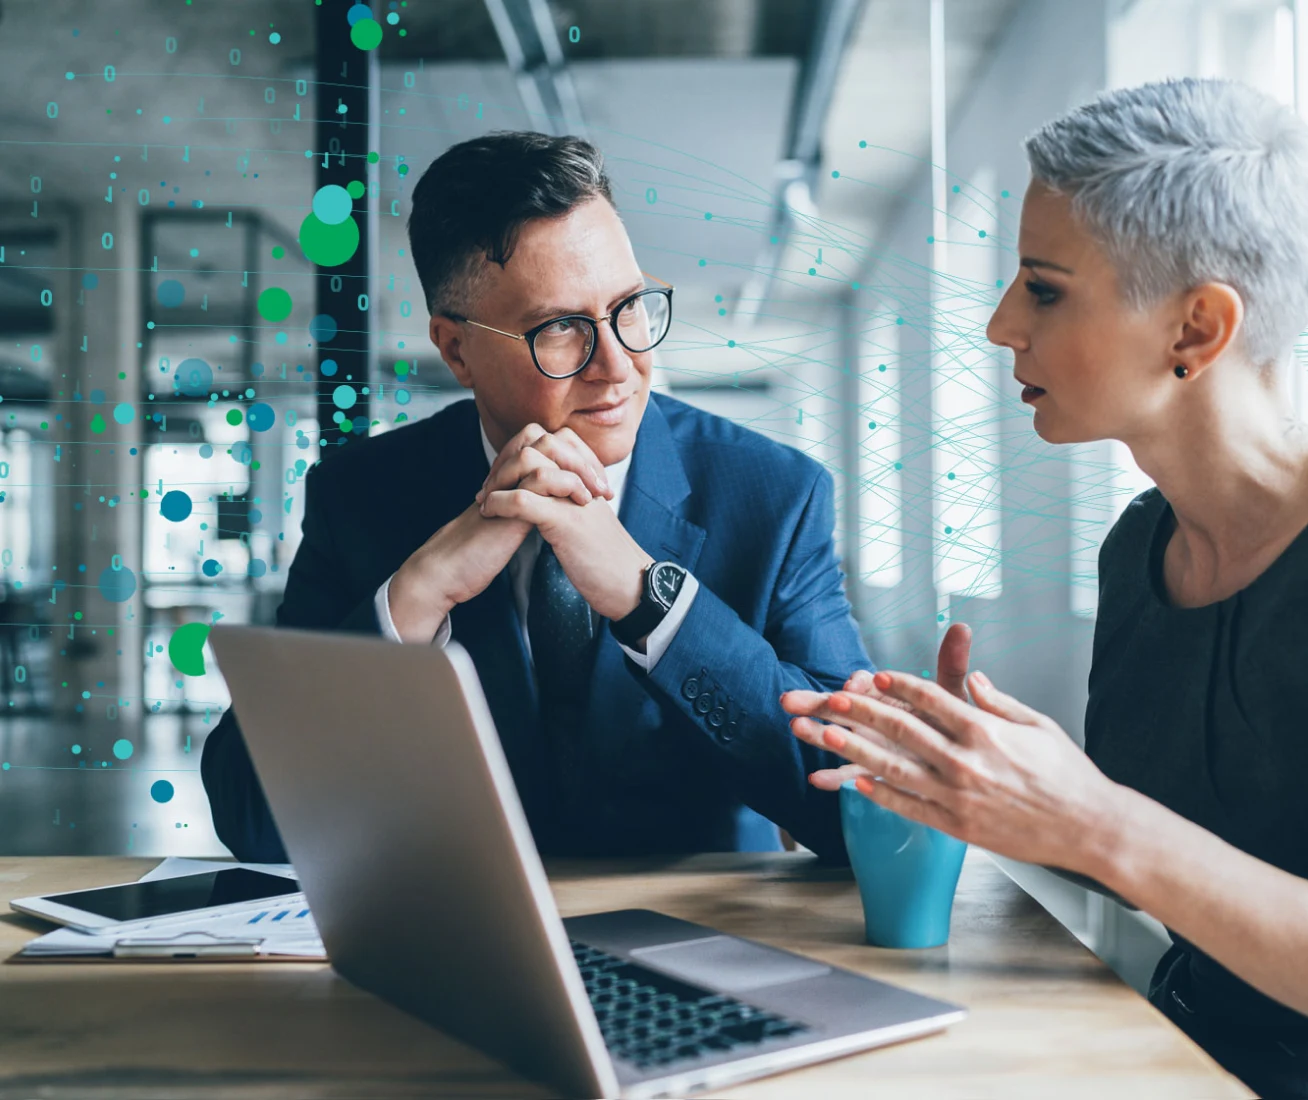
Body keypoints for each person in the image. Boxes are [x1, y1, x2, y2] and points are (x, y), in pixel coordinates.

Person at [782, 79, 1308, 1098]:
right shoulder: (1141, 544)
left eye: (1041, 287)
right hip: (1165, 1053)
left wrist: (1093, 820)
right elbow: (1172, 856)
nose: (997, 325)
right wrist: (982, 778)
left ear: (1194, 330)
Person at [202, 131, 867, 864]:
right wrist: (417, 596)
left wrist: (654, 602)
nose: (619, 366)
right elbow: (252, 816)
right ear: (456, 350)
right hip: (463, 945)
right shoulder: (361, 498)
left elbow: (857, 806)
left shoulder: (775, 497)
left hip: (707, 940)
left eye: (630, 306)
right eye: (561, 329)